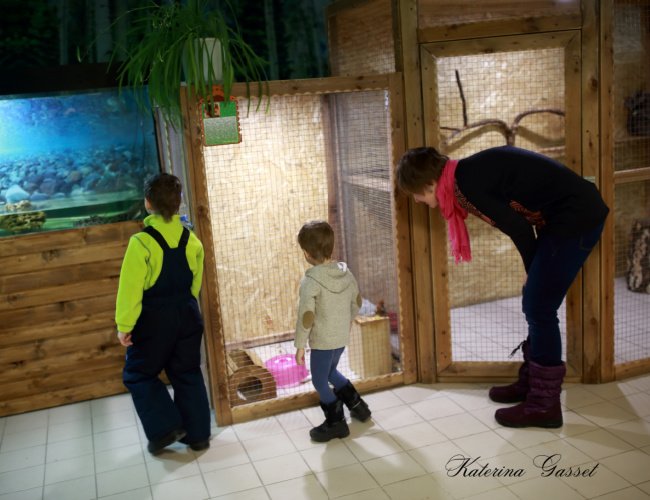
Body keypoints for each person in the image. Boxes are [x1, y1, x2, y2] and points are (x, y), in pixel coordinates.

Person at [396, 145, 609, 429]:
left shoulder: (467, 185)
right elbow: (520, 221)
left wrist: (532, 270)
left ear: (431, 183)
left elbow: (519, 228)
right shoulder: (463, 179)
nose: (418, 201)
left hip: (576, 217)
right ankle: (533, 384)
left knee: (539, 306)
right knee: (535, 301)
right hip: (557, 219)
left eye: (416, 194)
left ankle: (544, 405)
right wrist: (533, 271)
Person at [115, 173, 211, 454]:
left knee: (138, 374)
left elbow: (130, 289)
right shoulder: (190, 239)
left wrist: (125, 325)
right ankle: (198, 436)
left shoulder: (141, 243)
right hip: (188, 313)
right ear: (179, 203)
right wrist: (185, 306)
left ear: (147, 203)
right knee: (187, 372)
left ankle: (166, 428)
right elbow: (195, 281)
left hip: (154, 320)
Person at [294, 220, 372, 442]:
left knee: (319, 381)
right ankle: (358, 406)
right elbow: (356, 301)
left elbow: (306, 317)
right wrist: (344, 321)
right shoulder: (346, 274)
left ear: (307, 253)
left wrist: (300, 344)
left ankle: (336, 422)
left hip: (322, 342)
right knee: (331, 372)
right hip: (340, 337)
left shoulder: (311, 282)